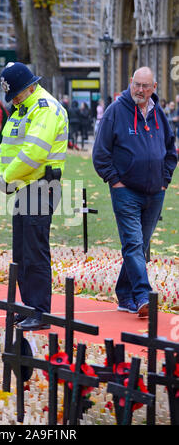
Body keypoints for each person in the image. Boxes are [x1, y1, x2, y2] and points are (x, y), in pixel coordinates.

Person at [92, 66, 177, 318]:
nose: (140, 90)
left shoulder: (158, 113)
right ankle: (142, 296)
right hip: (125, 191)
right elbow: (100, 153)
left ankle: (125, 295)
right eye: (136, 84)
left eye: (145, 86)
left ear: (154, 87)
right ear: (130, 83)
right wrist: (114, 181)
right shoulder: (115, 112)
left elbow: (171, 150)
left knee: (140, 246)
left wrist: (164, 181)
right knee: (133, 243)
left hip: (155, 192)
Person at [0, 62, 68, 330]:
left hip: (41, 187)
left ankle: (39, 311)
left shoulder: (44, 108)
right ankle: (28, 307)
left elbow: (34, 152)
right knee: (22, 252)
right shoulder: (23, 109)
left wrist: (6, 178)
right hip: (25, 187)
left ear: (30, 86)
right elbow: (7, 147)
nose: (12, 99)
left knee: (35, 252)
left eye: (15, 93)